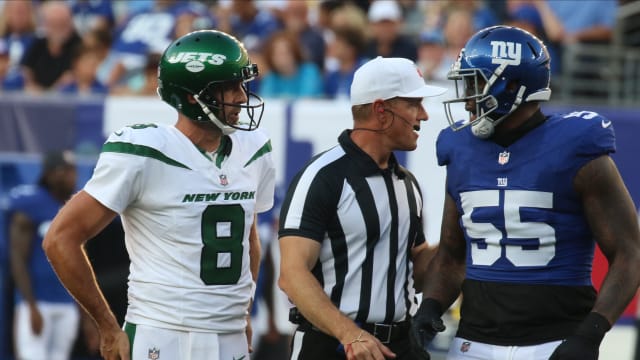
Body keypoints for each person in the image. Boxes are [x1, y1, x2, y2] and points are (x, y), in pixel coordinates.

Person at [42, 29, 275, 360]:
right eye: (229, 87)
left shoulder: (254, 148)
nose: (241, 96)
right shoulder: (144, 152)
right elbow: (60, 238)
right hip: (164, 334)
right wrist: (107, 326)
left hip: (231, 335)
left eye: (242, 85)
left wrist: (243, 311)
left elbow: (246, 239)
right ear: (193, 96)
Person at [412, 25, 640, 360]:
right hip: (475, 342)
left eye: (476, 83)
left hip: (554, 341)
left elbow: (629, 253)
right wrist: (430, 306)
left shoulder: (576, 147)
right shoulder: (459, 148)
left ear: (513, 87)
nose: (468, 96)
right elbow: (451, 255)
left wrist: (590, 334)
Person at [278, 56, 446, 360]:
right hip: (334, 346)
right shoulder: (322, 177)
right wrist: (349, 333)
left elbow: (416, 269)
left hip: (400, 345)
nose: (424, 115)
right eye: (413, 104)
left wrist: (458, 236)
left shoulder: (406, 182)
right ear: (381, 111)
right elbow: (292, 274)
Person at [8, 151, 81, 360]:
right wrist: (30, 304)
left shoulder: (75, 205)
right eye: (65, 171)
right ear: (50, 174)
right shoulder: (32, 203)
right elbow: (18, 257)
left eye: (73, 170)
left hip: (67, 302)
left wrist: (86, 315)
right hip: (38, 302)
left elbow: (81, 262)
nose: (71, 176)